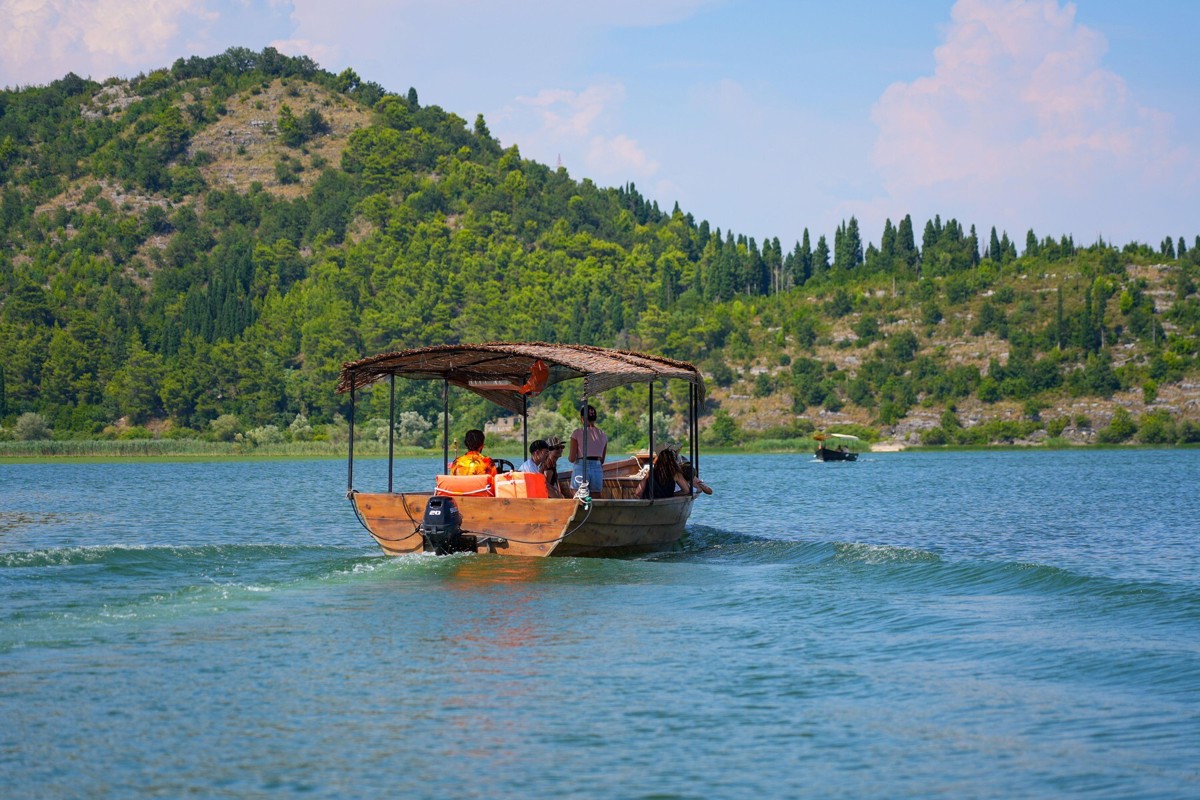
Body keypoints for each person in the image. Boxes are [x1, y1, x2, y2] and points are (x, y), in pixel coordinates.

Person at [568, 404, 607, 494]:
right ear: (595, 418)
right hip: (597, 467)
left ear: (582, 418)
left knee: (578, 497)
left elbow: (572, 458)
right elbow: (602, 460)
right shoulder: (603, 434)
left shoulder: (577, 433)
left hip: (581, 466)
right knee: (596, 498)